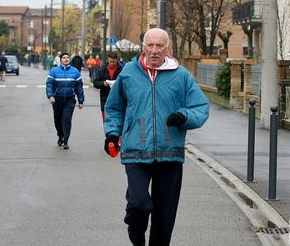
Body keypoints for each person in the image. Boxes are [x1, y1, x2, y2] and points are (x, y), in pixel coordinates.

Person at [103, 28, 210, 246]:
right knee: (138, 205)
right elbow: (115, 108)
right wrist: (112, 134)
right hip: (135, 152)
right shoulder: (129, 73)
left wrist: (184, 116)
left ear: (167, 48)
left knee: (164, 219)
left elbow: (201, 107)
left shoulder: (181, 76)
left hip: (170, 154)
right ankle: (136, 236)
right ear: (143, 47)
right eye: (150, 45)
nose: (154, 50)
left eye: (159, 45)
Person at [46, 52, 85, 150]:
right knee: (57, 120)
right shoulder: (54, 71)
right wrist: (51, 96)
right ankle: (60, 135)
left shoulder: (75, 72)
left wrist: (81, 101)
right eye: (64, 57)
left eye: (67, 57)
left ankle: (66, 140)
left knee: (66, 119)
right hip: (57, 99)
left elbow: (79, 87)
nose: (66, 59)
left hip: (69, 99)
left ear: (69, 59)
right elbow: (49, 85)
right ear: (60, 59)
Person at [93, 51, 123, 123]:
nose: (112, 63)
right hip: (105, 99)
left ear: (117, 60)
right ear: (108, 59)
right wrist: (103, 84)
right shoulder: (102, 70)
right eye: (110, 61)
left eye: (114, 62)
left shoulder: (122, 70)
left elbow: (127, 83)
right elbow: (95, 83)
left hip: (118, 99)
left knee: (118, 122)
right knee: (106, 122)